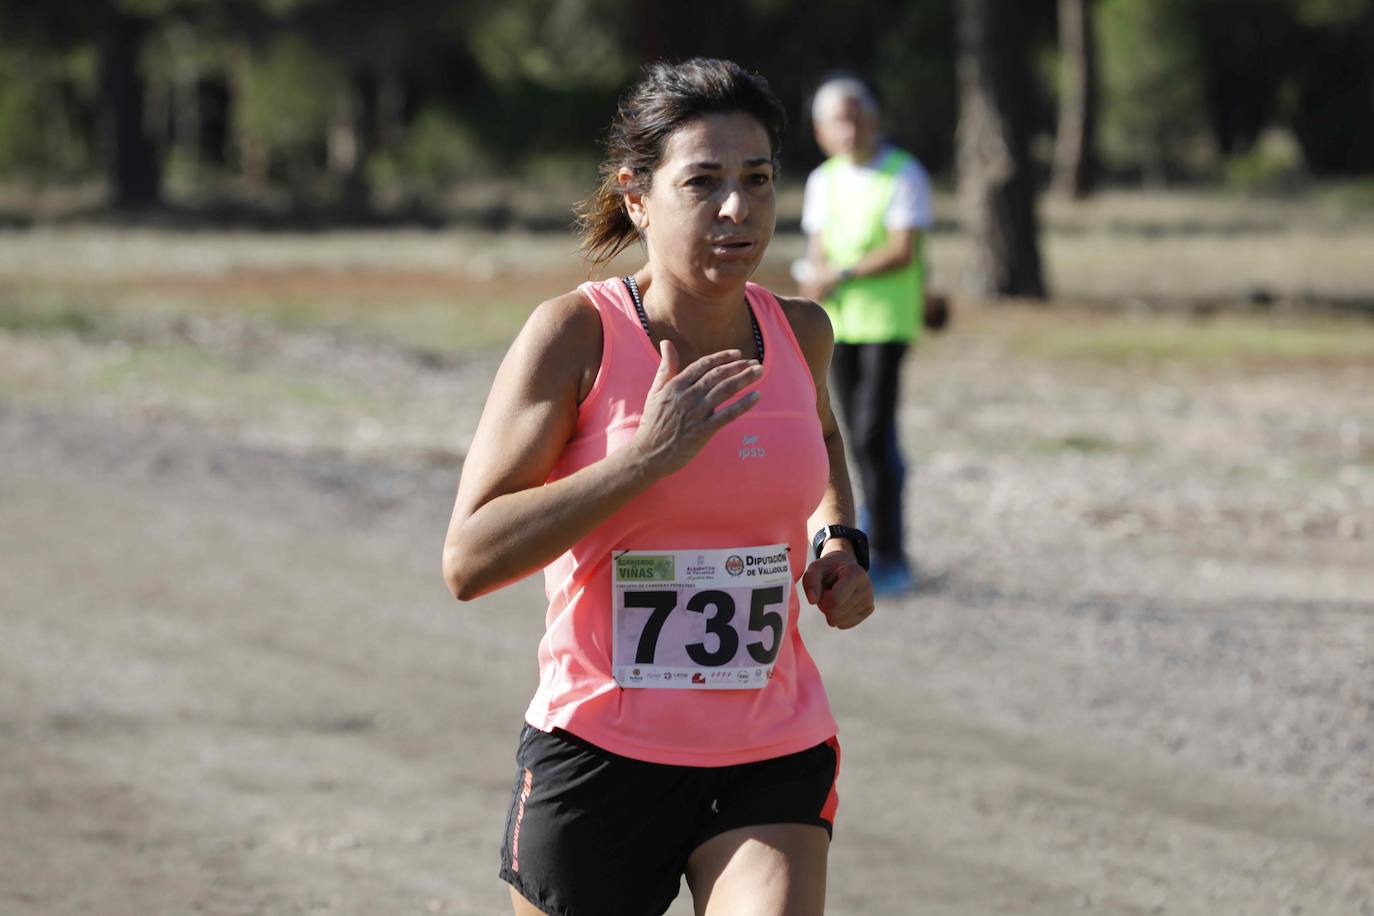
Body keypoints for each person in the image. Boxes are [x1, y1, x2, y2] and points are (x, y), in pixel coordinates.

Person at [442, 58, 875, 916]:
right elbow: (469, 559)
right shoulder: (577, 335)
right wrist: (639, 463)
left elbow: (821, 435)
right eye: (703, 182)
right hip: (601, 754)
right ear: (637, 197)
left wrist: (839, 540)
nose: (736, 208)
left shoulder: (800, 333)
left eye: (757, 180)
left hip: (770, 748)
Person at [797, 75, 935, 596]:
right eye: (838, 119)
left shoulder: (904, 173)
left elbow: (902, 249)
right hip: (836, 326)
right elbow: (817, 250)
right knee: (852, 437)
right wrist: (814, 281)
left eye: (857, 116)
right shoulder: (822, 181)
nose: (849, 127)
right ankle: (872, 528)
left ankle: (895, 555)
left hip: (886, 324)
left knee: (875, 435)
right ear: (821, 130)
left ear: (874, 119)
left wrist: (844, 273)